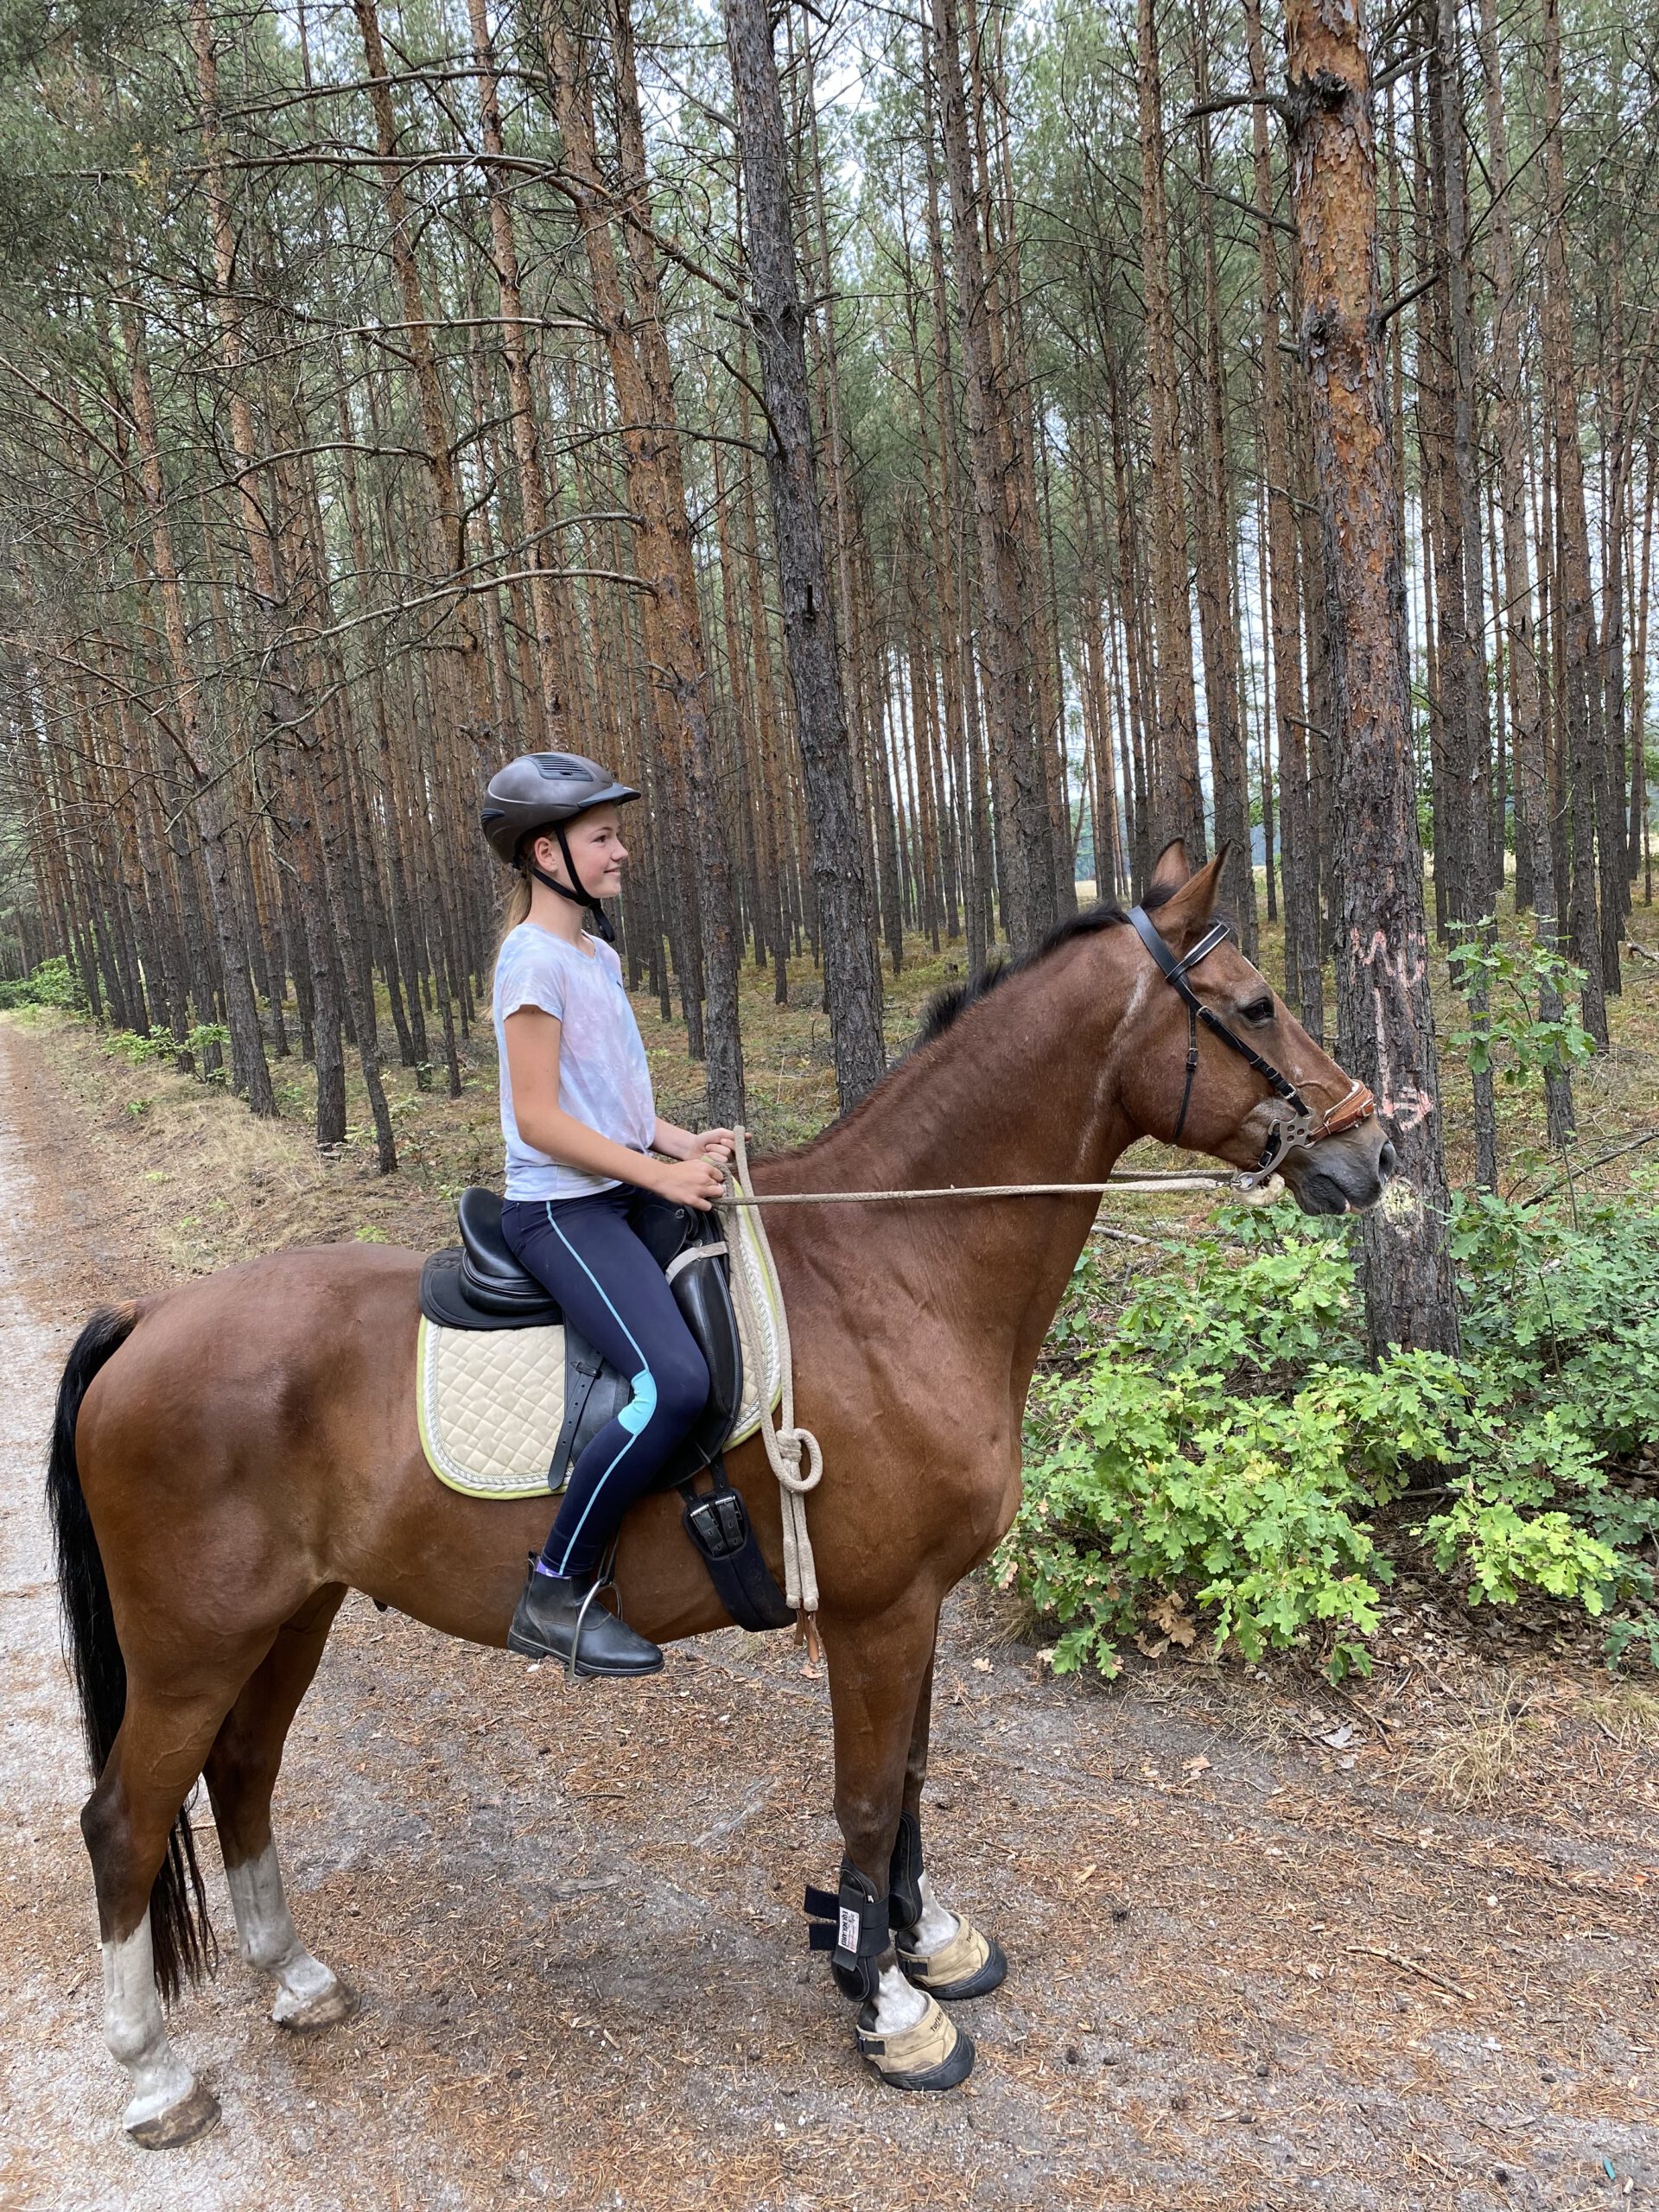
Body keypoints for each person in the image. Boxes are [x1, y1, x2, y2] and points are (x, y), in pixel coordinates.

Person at [481, 753, 734, 1678]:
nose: (622, 851)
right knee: (672, 1382)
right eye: (603, 837)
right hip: (559, 1210)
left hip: (619, 1183)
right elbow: (542, 1119)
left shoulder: (597, 953)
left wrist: (677, 1142)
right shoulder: (531, 960)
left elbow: (611, 1102)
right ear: (547, 852)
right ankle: (556, 1584)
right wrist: (658, 1178)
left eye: (617, 834)